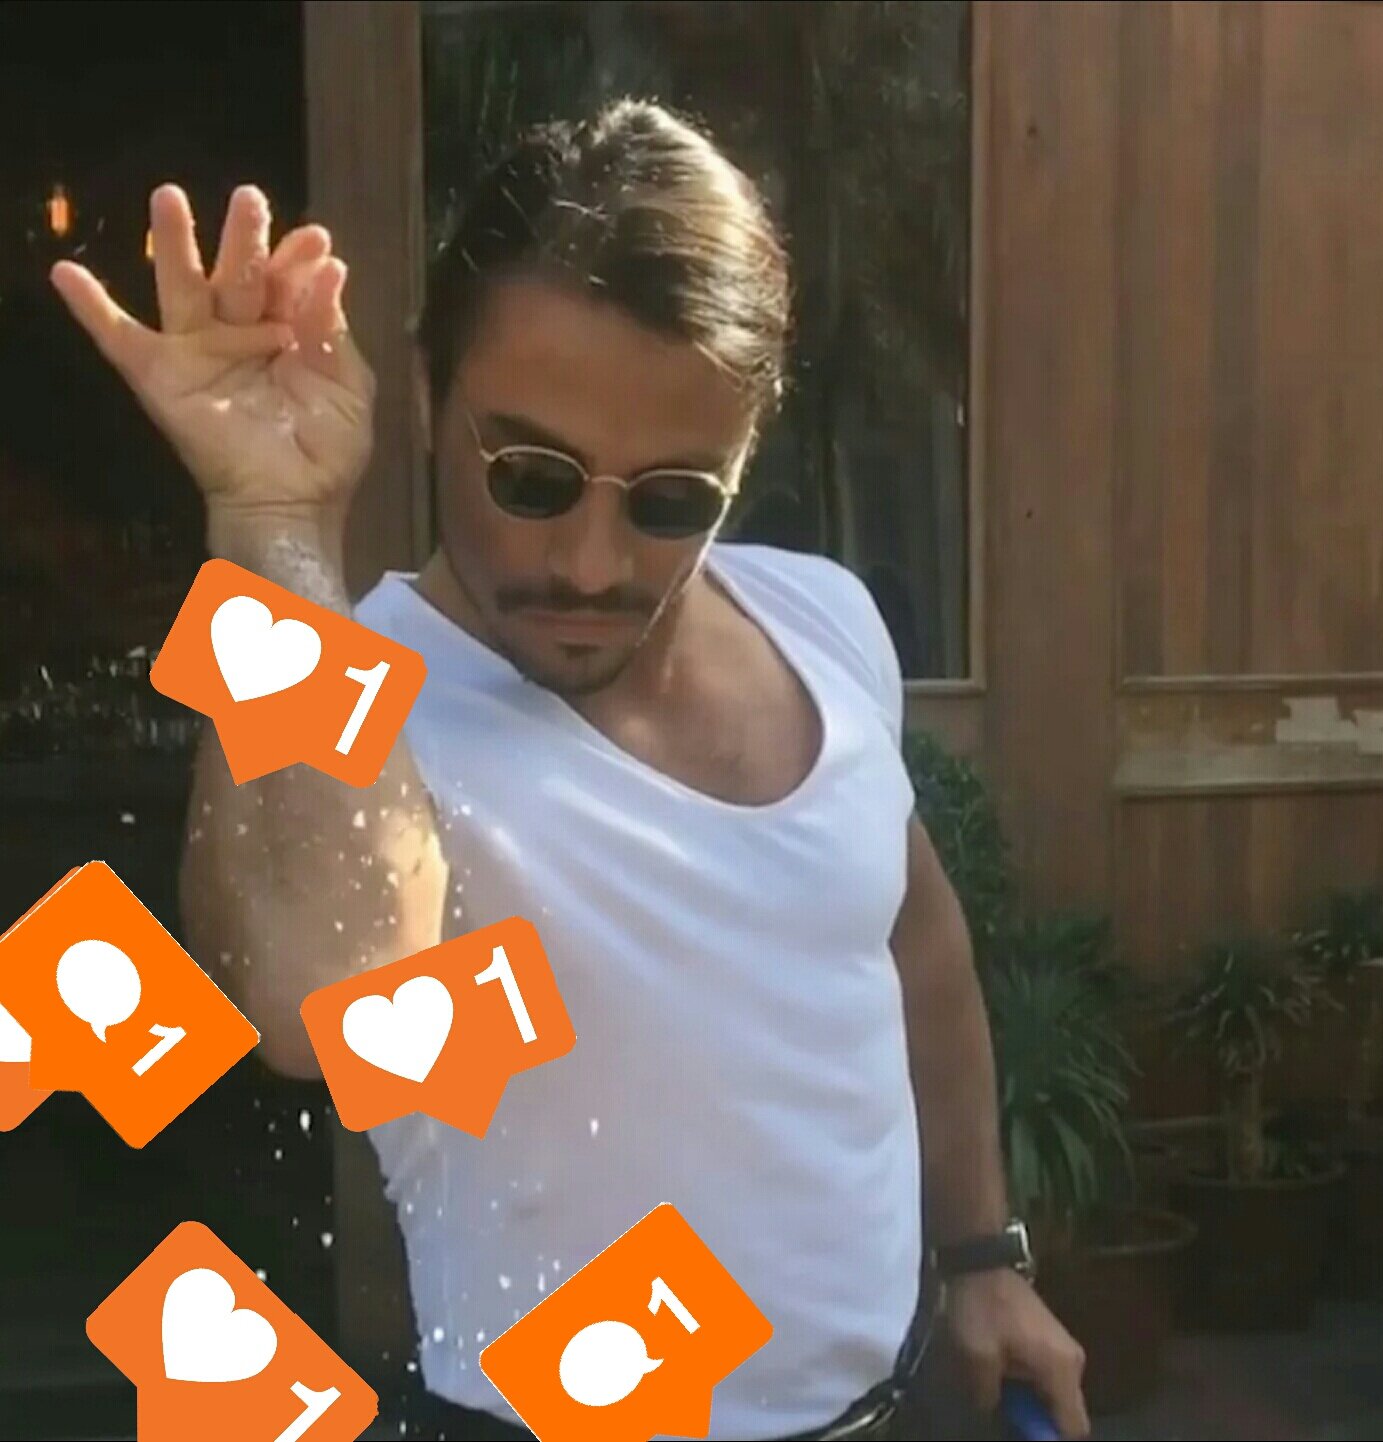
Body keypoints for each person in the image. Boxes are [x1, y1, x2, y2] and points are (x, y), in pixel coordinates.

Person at [50, 100, 1089, 1442]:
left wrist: (982, 1256)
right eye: (532, 475)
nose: (593, 565)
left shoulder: (823, 618)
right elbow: (309, 1006)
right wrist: (271, 518)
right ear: (429, 392)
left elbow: (912, 940)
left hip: (888, 1406)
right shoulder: (352, 693)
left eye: (672, 498)